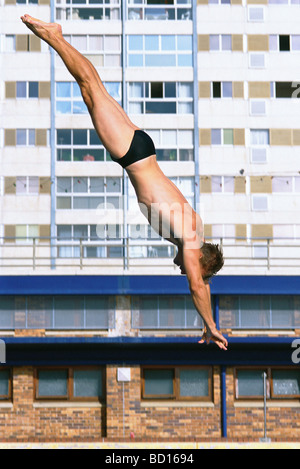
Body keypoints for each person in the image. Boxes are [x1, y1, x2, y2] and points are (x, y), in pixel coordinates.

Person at [21, 14, 228, 350]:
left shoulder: (192, 233)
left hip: (140, 151)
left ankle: (56, 38)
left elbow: (200, 282)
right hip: (133, 155)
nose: (186, 273)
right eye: (197, 271)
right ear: (201, 263)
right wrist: (211, 324)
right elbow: (198, 287)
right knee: (89, 86)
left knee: (93, 92)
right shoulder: (191, 241)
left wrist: (207, 316)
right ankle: (54, 37)